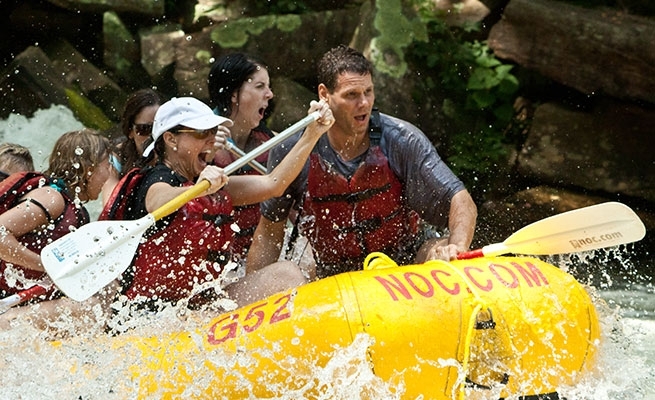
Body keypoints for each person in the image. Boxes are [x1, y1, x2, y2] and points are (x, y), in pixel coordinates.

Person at [247, 45, 478, 280]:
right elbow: (269, 234)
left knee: (438, 249)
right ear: (324, 94)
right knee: (292, 273)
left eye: (368, 92)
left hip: (406, 264)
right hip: (335, 276)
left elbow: (460, 198)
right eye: (352, 95)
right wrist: (253, 287)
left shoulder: (401, 139)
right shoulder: (292, 150)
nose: (364, 103)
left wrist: (457, 248)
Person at [101, 96, 333, 311]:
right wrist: (198, 190)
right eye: (202, 133)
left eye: (213, 131)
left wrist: (312, 135)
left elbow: (273, 184)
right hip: (151, 312)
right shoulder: (157, 179)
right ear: (171, 139)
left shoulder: (207, 182)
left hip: (199, 303)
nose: (212, 139)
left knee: (286, 275)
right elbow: (156, 202)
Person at [0, 129, 111, 302]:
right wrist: (47, 266)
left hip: (16, 300)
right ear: (89, 169)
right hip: (5, 300)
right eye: (107, 165)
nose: (110, 173)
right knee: (90, 306)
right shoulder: (51, 197)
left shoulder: (74, 209)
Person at [207, 53, 275, 264]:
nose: (270, 94)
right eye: (260, 86)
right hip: (213, 264)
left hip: (252, 258)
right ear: (233, 94)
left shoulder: (268, 140)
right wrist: (205, 155)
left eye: (268, 86)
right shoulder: (197, 139)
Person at [102, 88, 163, 204]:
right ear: (130, 131)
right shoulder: (117, 157)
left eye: (159, 128)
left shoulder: (174, 154)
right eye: (144, 129)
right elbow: (110, 206)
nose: (153, 136)